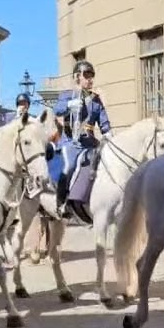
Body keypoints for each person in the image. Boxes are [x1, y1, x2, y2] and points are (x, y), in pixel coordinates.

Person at [52, 60, 111, 215]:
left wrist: (108, 133)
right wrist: (70, 104)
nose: (90, 79)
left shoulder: (96, 100)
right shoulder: (67, 96)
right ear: (77, 77)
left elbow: (103, 121)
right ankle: (62, 203)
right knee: (69, 166)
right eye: (86, 76)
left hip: (90, 143)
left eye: (91, 76)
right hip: (71, 142)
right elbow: (57, 110)